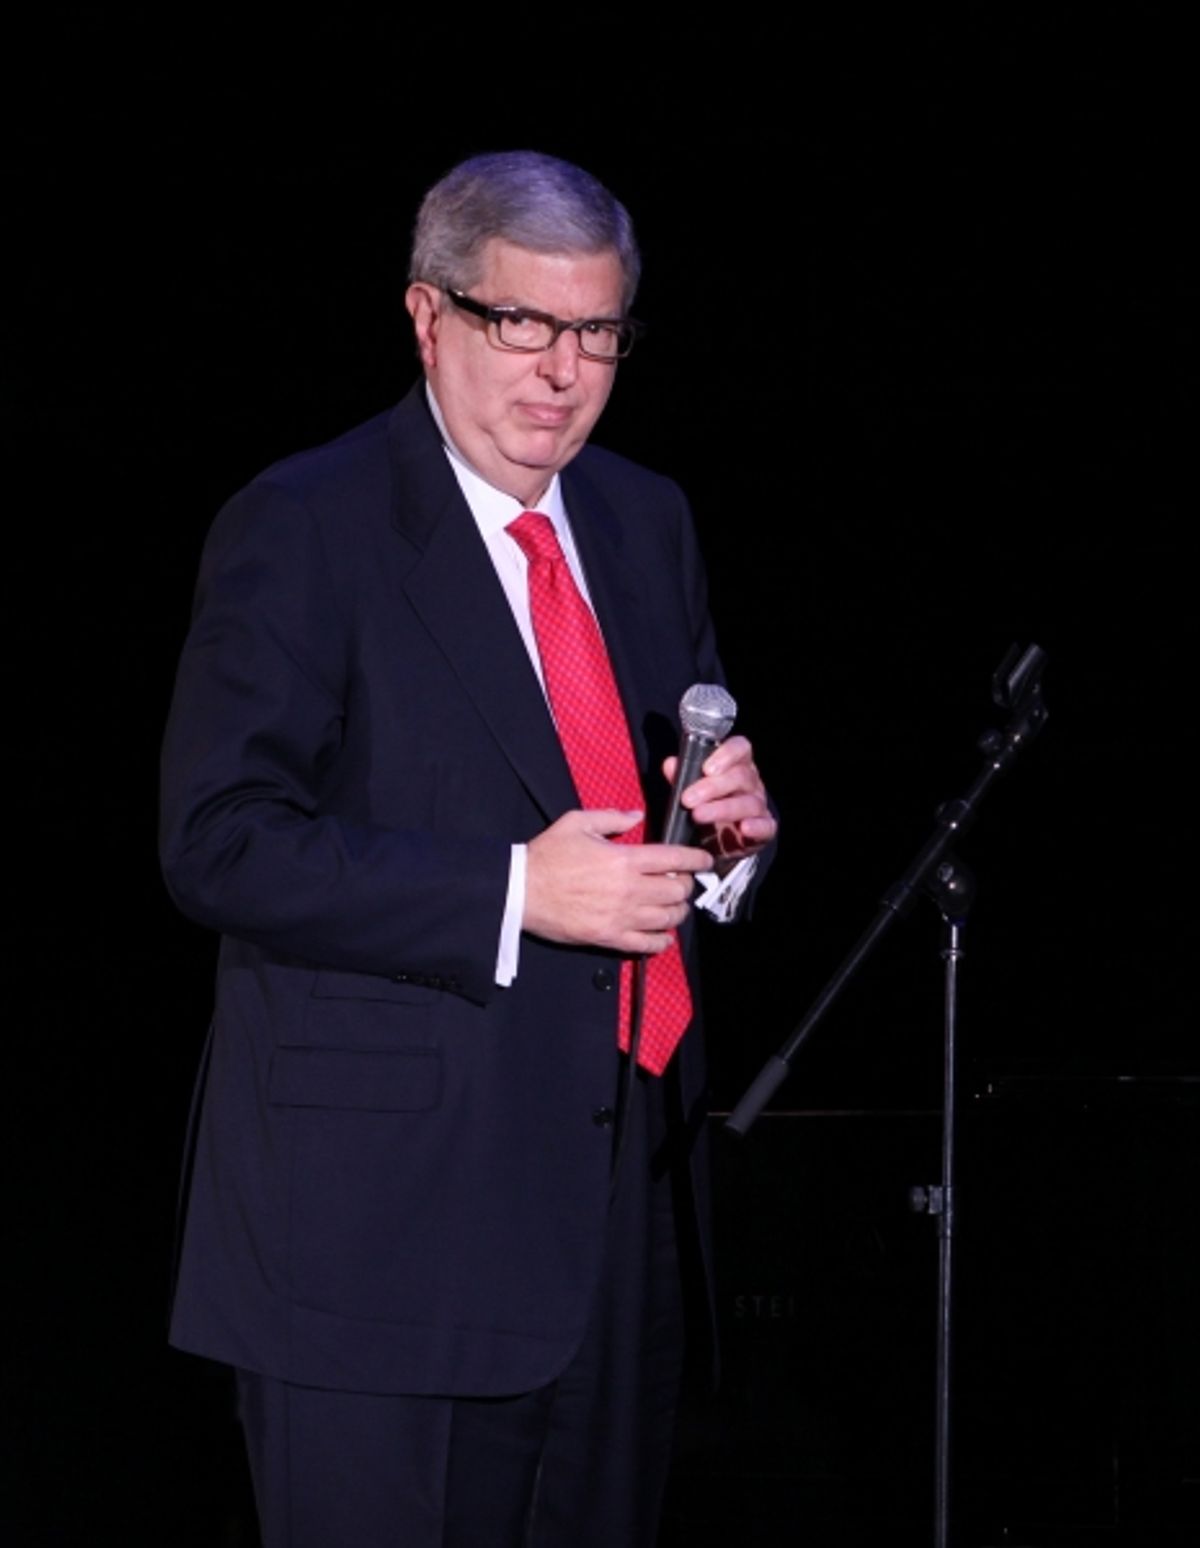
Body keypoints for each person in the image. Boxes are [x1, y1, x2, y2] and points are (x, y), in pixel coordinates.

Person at [160, 149, 777, 1548]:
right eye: (522, 324)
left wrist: (729, 840)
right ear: (429, 316)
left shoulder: (644, 518)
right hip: (375, 1245)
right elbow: (218, 844)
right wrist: (515, 889)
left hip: (616, 1224)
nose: (563, 371)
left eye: (597, 330)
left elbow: (671, 797)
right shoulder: (304, 524)